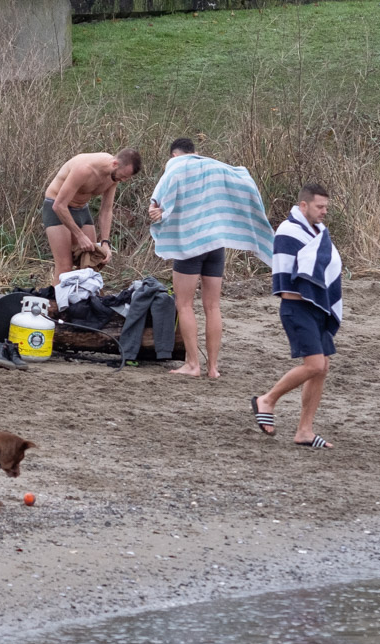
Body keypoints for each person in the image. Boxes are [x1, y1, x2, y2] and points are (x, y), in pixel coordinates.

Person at [147, 138, 273, 378]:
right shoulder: (218, 167)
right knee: (213, 306)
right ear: (195, 152)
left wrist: (158, 212)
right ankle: (213, 368)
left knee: (184, 305)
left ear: (174, 155)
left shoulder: (176, 167)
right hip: (217, 244)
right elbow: (244, 179)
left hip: (190, 243)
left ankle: (193, 364)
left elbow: (156, 205)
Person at [251, 184, 343, 449]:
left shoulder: (318, 232)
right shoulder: (289, 231)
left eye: (326, 207)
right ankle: (266, 400)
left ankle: (305, 430)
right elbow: (296, 271)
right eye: (319, 207)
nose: (324, 212)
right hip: (297, 309)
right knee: (314, 365)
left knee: (322, 368)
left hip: (317, 308)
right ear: (303, 206)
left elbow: (323, 264)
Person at [41, 149, 141, 286]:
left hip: (81, 209)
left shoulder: (113, 176)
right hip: (57, 207)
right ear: (115, 163)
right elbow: (59, 206)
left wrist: (105, 242)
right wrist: (80, 235)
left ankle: (81, 305)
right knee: (65, 267)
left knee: (89, 264)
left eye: (126, 178)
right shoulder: (84, 169)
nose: (123, 180)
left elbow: (106, 210)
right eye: (123, 176)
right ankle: (55, 305)